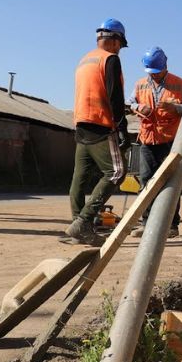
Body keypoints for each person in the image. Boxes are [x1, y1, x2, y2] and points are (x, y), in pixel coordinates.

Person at [65, 19, 130, 244]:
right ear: (113, 40)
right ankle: (83, 221)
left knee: (79, 177)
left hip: (81, 125)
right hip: (100, 126)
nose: (120, 49)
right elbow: (114, 96)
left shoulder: (84, 61)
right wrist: (122, 128)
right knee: (117, 172)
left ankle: (78, 225)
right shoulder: (110, 60)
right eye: (120, 44)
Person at [129, 47, 182, 238]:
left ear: (165, 66)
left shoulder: (179, 84)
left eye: (157, 72)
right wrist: (138, 107)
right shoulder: (140, 84)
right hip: (148, 139)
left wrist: (174, 107)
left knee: (171, 184)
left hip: (171, 140)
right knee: (146, 181)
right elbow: (129, 103)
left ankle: (171, 226)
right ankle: (146, 223)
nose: (154, 76)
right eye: (151, 73)